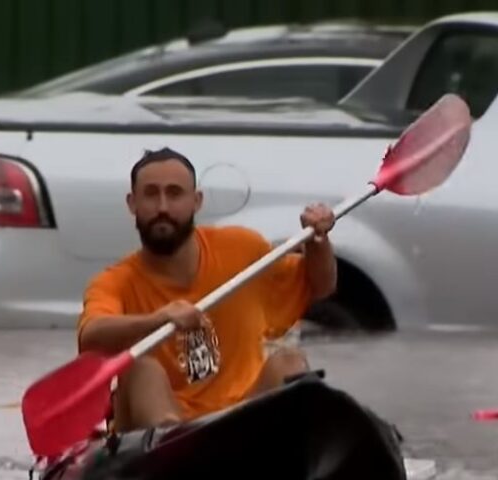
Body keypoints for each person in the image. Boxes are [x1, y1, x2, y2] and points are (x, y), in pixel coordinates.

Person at [76, 147, 338, 433]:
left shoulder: (242, 249)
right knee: (142, 369)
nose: (162, 207)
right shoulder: (114, 281)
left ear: (196, 201)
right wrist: (159, 320)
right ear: (132, 204)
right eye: (151, 194)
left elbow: (321, 286)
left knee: (289, 362)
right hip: (167, 431)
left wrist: (318, 241)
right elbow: (91, 338)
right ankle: (174, 447)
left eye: (175, 194)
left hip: (244, 417)